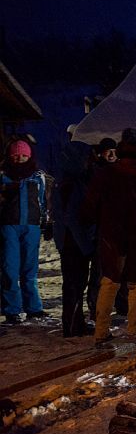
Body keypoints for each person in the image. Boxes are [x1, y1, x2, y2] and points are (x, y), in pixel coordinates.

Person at [82, 137, 136, 345]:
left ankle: (101, 330)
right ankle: (134, 328)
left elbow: (90, 207)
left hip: (113, 237)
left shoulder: (105, 175)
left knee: (109, 282)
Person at [0, 139, 53, 324]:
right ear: (9, 156)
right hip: (8, 226)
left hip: (31, 226)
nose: (20, 159)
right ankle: (12, 309)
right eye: (16, 155)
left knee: (30, 270)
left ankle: (33, 308)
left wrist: (47, 222)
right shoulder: (3, 176)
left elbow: (44, 201)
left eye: (24, 155)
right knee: (10, 269)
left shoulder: (38, 177)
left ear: (30, 156)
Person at [53, 141, 97, 336]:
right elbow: (71, 218)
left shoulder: (67, 181)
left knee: (75, 284)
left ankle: (74, 322)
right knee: (74, 284)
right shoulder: (71, 184)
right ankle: (71, 325)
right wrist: (86, 245)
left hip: (70, 241)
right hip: (74, 242)